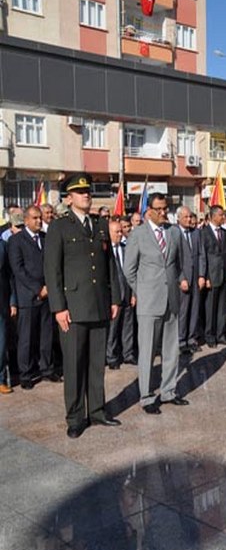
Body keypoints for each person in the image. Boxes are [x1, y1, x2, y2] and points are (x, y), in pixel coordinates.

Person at [43, 173, 122, 439]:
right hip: (73, 308)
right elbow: (52, 270)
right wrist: (58, 308)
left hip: (99, 303)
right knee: (75, 365)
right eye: (80, 192)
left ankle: (97, 410)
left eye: (88, 191)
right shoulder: (60, 226)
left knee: (96, 362)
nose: (86, 195)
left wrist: (114, 298)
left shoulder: (100, 224)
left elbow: (110, 264)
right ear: (69, 198)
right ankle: (76, 417)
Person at [124, 193, 190, 415]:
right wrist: (142, 291)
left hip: (171, 299)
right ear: (148, 211)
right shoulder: (138, 235)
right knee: (148, 351)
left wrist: (179, 280)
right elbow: (129, 270)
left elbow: (177, 263)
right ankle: (146, 395)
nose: (164, 212)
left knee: (172, 349)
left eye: (165, 208)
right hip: (149, 301)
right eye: (159, 209)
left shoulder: (173, 232)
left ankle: (169, 390)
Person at [8, 206, 58, 388]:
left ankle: (47, 369)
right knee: (26, 338)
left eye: (40, 218)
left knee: (46, 335)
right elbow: (18, 269)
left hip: (47, 295)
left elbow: (51, 264)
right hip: (28, 296)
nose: (39, 221)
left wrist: (49, 287)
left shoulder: (45, 239)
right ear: (26, 220)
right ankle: (26, 374)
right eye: (35, 218)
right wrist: (38, 289)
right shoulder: (16, 240)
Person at [198, 205, 226, 348]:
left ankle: (221, 334)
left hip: (224, 275)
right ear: (213, 216)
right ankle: (210, 335)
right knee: (210, 308)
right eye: (220, 215)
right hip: (211, 277)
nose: (223, 217)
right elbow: (203, 256)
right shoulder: (204, 233)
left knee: (223, 308)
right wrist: (205, 276)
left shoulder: (224, 233)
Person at [106, 219, 136, 369]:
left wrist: (134, 294)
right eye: (116, 232)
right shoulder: (105, 252)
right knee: (113, 328)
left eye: (120, 231)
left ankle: (128, 354)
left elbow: (132, 273)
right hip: (113, 298)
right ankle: (111, 357)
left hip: (128, 294)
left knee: (128, 326)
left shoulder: (126, 249)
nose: (120, 234)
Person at [176, 207, 201, 354]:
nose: (189, 220)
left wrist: (202, 275)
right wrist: (181, 278)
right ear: (178, 218)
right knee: (183, 311)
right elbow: (174, 259)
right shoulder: (174, 234)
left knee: (194, 310)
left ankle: (192, 338)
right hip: (183, 279)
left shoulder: (196, 233)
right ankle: (181, 340)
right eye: (185, 217)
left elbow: (201, 254)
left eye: (190, 217)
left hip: (196, 277)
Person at [0, 237, 17, 394]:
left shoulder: (3, 246)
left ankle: (1, 379)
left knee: (2, 342)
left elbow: (10, 276)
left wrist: (13, 301)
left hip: (2, 303)